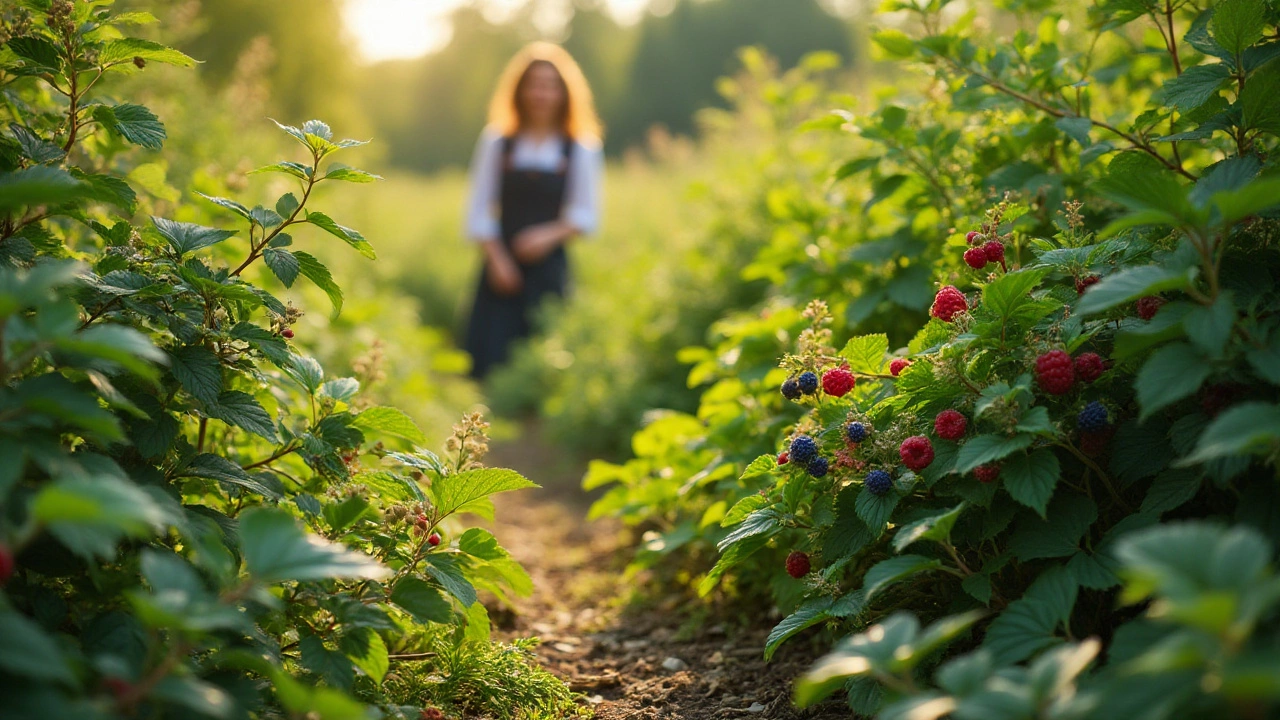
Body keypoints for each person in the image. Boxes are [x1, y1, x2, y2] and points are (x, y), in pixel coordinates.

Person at [463, 42, 604, 380]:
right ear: (520, 90)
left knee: (545, 369)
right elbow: (478, 208)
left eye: (550, 85)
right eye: (534, 84)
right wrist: (498, 259)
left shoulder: (581, 147)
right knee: (490, 366)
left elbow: (587, 215)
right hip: (500, 268)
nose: (541, 93)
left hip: (549, 271)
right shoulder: (497, 142)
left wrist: (547, 235)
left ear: (564, 93)